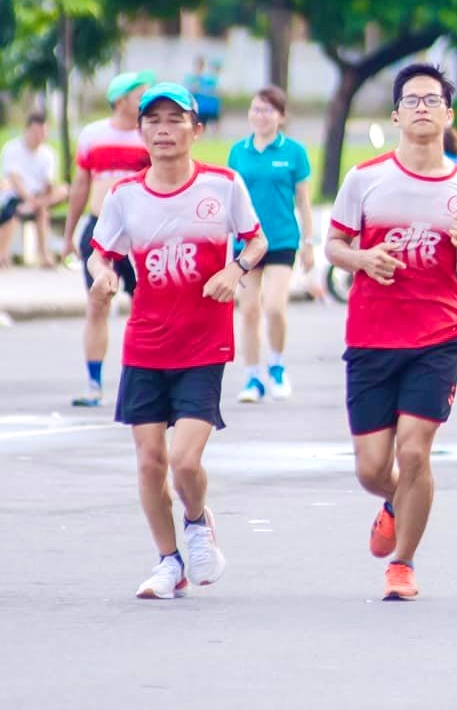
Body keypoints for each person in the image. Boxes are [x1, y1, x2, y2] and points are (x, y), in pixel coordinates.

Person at [85, 82, 264, 599]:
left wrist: (235, 270)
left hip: (204, 342)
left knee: (184, 460)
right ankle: (169, 562)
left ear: (196, 129)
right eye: (153, 121)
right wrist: (102, 274)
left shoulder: (223, 186)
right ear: (141, 131)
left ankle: (196, 520)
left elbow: (256, 239)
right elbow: (102, 252)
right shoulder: (126, 195)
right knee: (148, 461)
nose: (163, 130)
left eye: (174, 120)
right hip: (146, 341)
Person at [325, 62, 457, 603]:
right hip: (372, 337)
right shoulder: (366, 179)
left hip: (436, 337)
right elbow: (333, 246)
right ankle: (397, 501)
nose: (422, 108)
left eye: (432, 100)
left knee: (416, 452)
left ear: (448, 114)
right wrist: (362, 258)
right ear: (396, 114)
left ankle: (403, 564)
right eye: (412, 100)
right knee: (374, 468)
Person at [66, 71, 155, 406]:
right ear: (121, 100)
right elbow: (80, 185)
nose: (145, 103)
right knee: (97, 303)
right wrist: (69, 233)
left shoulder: (148, 136)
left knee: (145, 306)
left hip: (140, 231)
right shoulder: (93, 134)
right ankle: (93, 383)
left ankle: (145, 377)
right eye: (140, 96)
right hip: (100, 229)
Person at [228, 87, 315, 402]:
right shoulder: (238, 152)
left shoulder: (294, 152)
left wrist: (308, 244)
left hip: (281, 239)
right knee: (249, 310)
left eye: (267, 110)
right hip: (247, 240)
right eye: (255, 109)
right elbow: (230, 201)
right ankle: (253, 377)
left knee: (275, 306)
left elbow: (304, 203)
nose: (260, 116)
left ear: (281, 116)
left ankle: (276, 365)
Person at [1, 111, 63, 268]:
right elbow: (14, 180)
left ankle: (44, 254)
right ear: (27, 130)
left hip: (39, 197)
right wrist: (29, 200)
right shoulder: (12, 148)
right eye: (36, 132)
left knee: (61, 192)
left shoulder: (48, 154)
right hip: (16, 195)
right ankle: (4, 255)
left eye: (42, 132)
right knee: (15, 211)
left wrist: (40, 196)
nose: (39, 136)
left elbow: (48, 182)